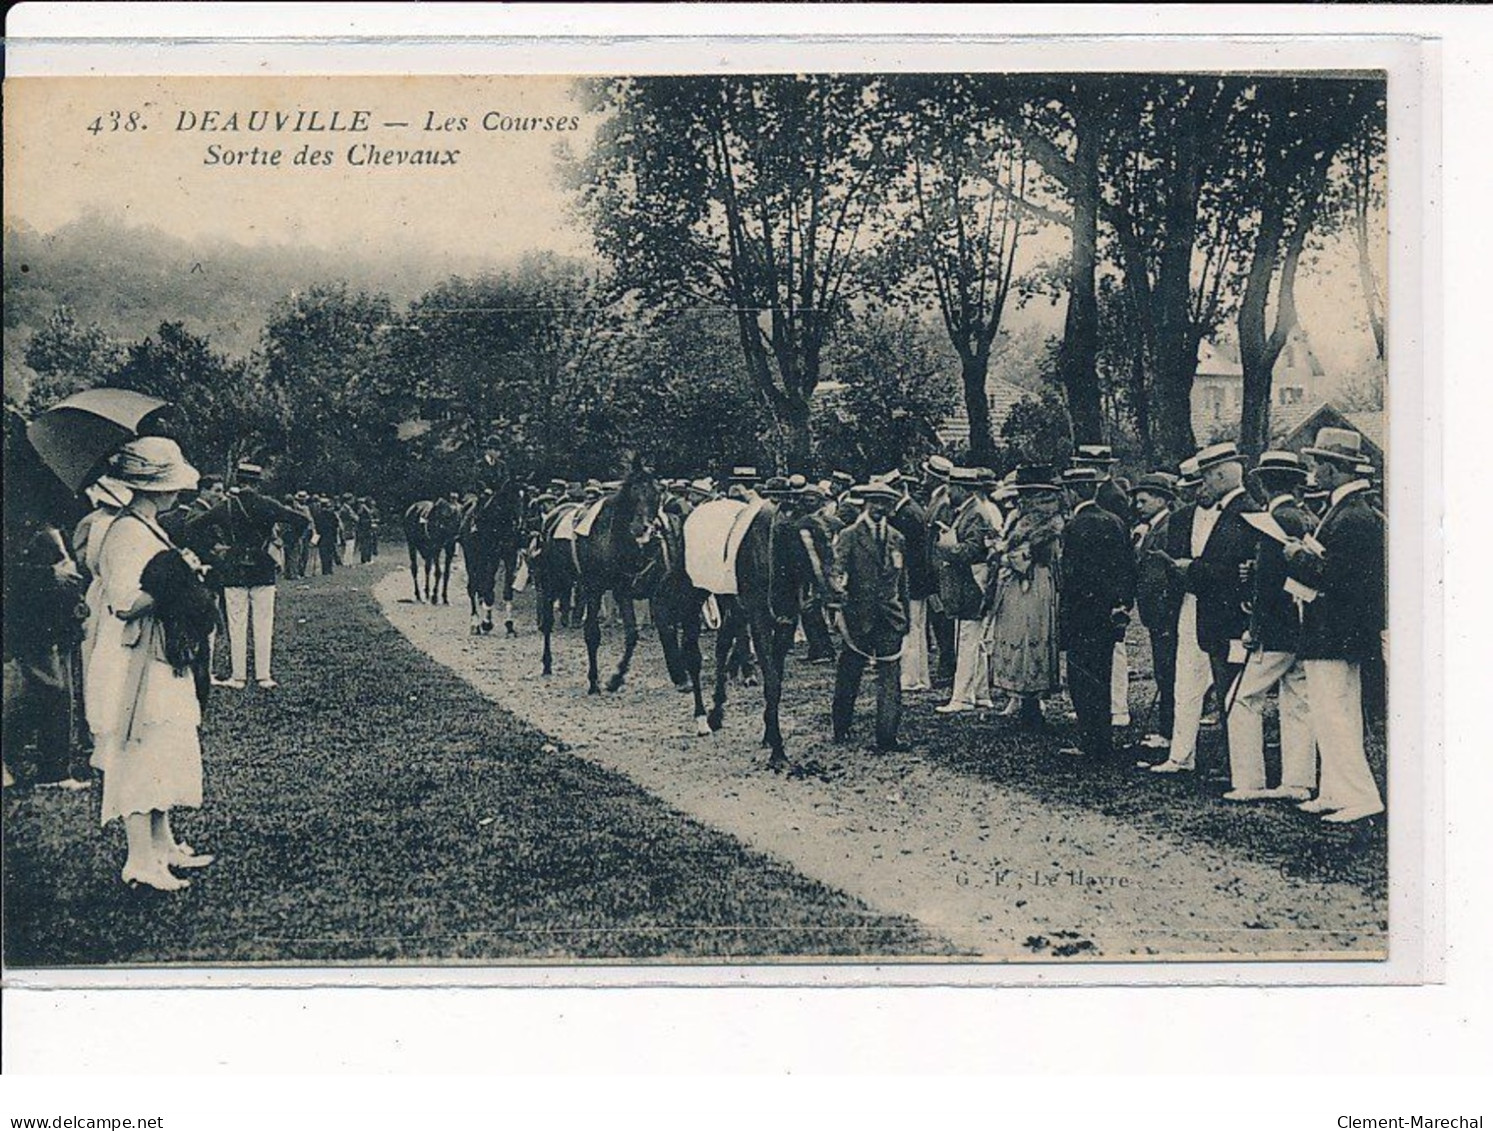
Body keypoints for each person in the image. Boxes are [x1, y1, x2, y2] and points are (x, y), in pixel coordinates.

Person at [83, 437, 214, 891]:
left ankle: (163, 843)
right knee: (139, 750)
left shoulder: (147, 525)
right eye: (171, 484)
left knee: (163, 746)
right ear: (155, 488)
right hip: (133, 661)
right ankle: (139, 857)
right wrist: (176, 584)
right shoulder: (125, 531)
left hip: (157, 655)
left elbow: (162, 574)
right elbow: (123, 601)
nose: (177, 492)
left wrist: (184, 571)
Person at [1283, 428, 1386, 823]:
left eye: (1318, 465)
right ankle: (1334, 790)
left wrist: (1296, 555)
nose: (1313, 473)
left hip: (1337, 633)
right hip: (1336, 631)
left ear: (1332, 469)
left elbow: (1335, 576)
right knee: (1330, 713)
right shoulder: (1349, 511)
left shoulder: (1352, 516)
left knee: (1337, 713)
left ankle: (1360, 797)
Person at [1145, 442, 1258, 775]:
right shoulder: (1182, 519)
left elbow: (1240, 571)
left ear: (1221, 475)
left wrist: (1192, 570)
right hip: (1190, 607)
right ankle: (1181, 753)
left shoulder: (1249, 513)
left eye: (1203, 479)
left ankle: (1231, 761)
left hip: (1229, 615)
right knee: (1186, 681)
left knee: (1230, 688)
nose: (1198, 488)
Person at [1224, 451, 1317, 803]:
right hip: (1303, 624)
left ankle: (1249, 782)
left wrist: (1254, 627)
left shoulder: (1272, 519)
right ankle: (1298, 781)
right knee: (1298, 701)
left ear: (1261, 482)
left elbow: (1267, 581)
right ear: (1296, 482)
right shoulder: (1307, 515)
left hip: (1275, 627)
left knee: (1242, 699)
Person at [189, 462, 311, 690]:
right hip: (263, 568)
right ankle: (263, 676)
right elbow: (301, 521)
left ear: (237, 482)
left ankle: (238, 677)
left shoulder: (225, 507)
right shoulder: (267, 504)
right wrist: (280, 541)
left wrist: (214, 548)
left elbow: (193, 527)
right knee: (263, 622)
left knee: (237, 623)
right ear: (257, 483)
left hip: (233, 568)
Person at [1058, 466, 1136, 761]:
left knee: (1081, 680)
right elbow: (1128, 568)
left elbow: (1071, 576)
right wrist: (1121, 604)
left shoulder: (1076, 526)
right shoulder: (1115, 522)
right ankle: (1103, 741)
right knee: (1102, 677)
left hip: (1082, 615)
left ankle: (1091, 742)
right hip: (1108, 613)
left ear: (1073, 492)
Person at [827, 482, 909, 753]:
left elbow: (902, 581)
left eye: (885, 503)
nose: (880, 508)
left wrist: (904, 616)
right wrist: (838, 600)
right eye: (875, 502)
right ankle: (841, 727)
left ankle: (887, 737)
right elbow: (836, 571)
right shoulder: (849, 535)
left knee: (890, 677)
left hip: (889, 617)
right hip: (858, 617)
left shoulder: (897, 537)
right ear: (865, 503)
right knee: (849, 673)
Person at [983, 465, 1064, 729]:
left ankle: (1031, 703)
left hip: (1032, 585)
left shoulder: (1046, 524)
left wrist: (1001, 554)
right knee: (1021, 636)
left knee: (1030, 637)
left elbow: (1023, 559)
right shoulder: (1025, 519)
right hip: (1025, 585)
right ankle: (1023, 699)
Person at [934, 467, 997, 714]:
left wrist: (946, 548)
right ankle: (980, 693)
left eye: (951, 487)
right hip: (969, 581)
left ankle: (962, 697)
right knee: (975, 640)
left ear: (963, 489)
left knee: (968, 639)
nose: (948, 492)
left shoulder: (975, 514)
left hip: (972, 582)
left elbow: (972, 549)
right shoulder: (969, 512)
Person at [1130, 472, 1182, 751]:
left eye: (1143, 501)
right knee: (1163, 670)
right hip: (1156, 612)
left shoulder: (1166, 529)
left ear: (1162, 500)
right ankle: (1167, 728)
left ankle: (1169, 730)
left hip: (1164, 613)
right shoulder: (1152, 527)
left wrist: (1163, 612)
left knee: (1167, 671)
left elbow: (1162, 576)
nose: (1138, 506)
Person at [877, 469, 934, 692]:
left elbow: (907, 554)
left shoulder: (907, 515)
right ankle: (916, 675)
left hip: (912, 580)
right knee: (915, 629)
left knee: (911, 629)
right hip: (916, 580)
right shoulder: (910, 511)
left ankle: (911, 676)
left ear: (901, 489)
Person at [921, 455, 957, 685]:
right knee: (938, 617)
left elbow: (939, 539)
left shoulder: (943, 503)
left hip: (938, 570)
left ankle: (948, 665)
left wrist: (934, 569)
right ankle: (946, 664)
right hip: (932, 568)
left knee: (943, 618)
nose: (924, 479)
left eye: (927, 475)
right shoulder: (936, 499)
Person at [311, 495, 340, 575]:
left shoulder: (317, 515)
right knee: (330, 552)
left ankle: (325, 570)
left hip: (321, 536)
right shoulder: (331, 514)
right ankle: (329, 569)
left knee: (323, 553)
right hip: (330, 535)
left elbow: (316, 526)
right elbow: (336, 524)